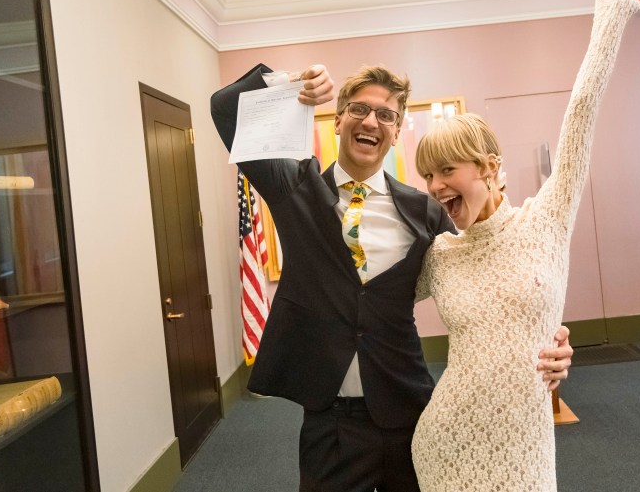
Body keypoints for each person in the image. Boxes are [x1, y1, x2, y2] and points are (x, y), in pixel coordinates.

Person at [211, 63, 574, 492]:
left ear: (397, 130)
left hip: (410, 411)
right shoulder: (293, 187)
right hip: (330, 419)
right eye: (359, 109)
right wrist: (291, 86)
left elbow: (494, 271)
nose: (371, 121)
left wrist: (550, 339)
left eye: (386, 115)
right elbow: (224, 110)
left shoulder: (426, 211)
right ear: (339, 118)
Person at [410, 0, 640, 492]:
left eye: (446, 169)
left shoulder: (547, 220)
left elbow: (581, 110)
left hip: (527, 445)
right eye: (427, 175)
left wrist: (612, 13)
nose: (434, 187)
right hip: (446, 439)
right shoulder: (439, 254)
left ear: (491, 167)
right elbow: (372, 309)